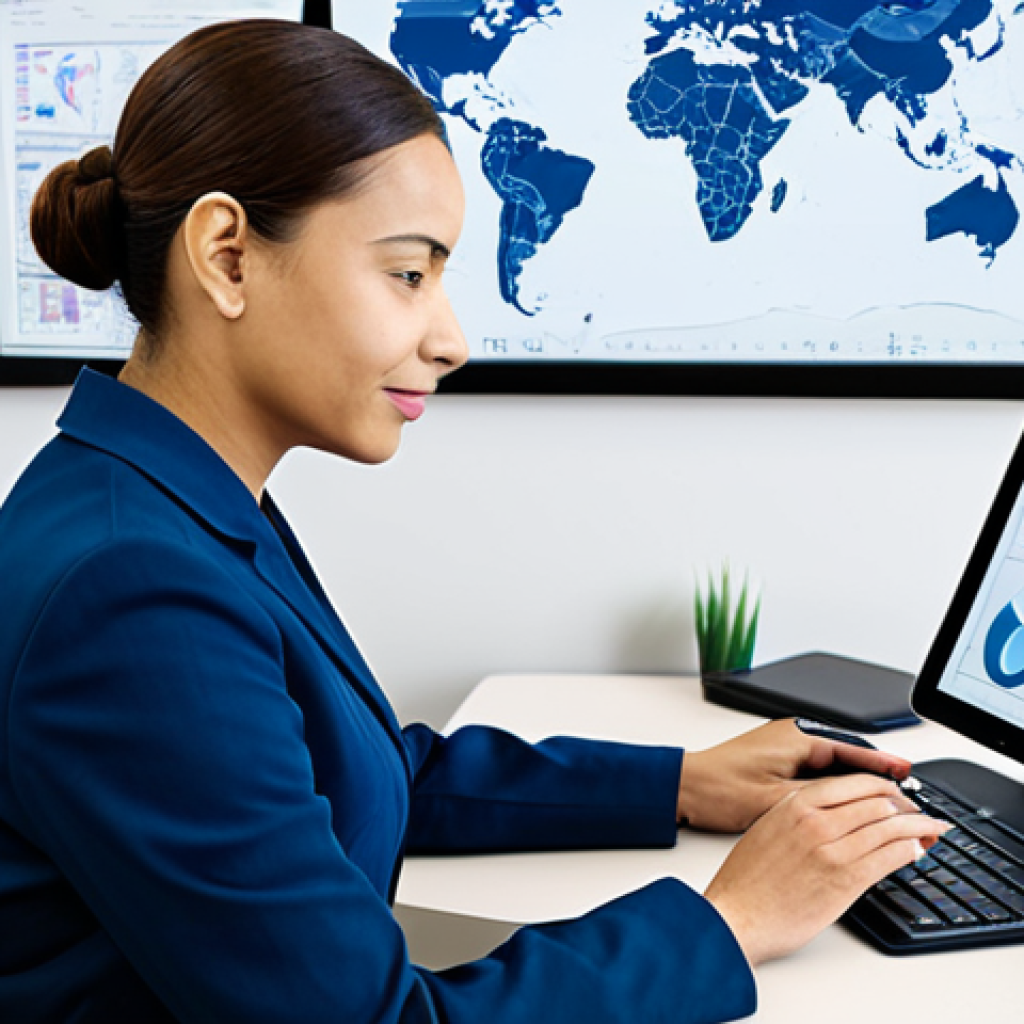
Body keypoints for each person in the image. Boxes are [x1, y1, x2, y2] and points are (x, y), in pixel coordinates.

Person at [0, 19, 947, 1024]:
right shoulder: (131, 588)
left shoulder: (156, 502)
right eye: (409, 274)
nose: (450, 339)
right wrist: (731, 921)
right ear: (228, 256)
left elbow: (341, 770)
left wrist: (680, 784)